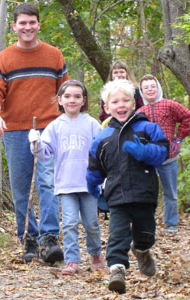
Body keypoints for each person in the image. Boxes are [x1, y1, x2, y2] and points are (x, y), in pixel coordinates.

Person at [0, 3, 69, 264]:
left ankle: (49, 239)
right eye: (22, 23)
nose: (27, 27)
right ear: (14, 26)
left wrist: (68, 123)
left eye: (32, 22)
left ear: (38, 25)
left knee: (46, 182)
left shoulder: (54, 55)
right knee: (21, 187)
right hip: (15, 129)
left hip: (48, 128)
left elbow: (66, 93)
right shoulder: (4, 58)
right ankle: (29, 238)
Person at [86, 79, 169, 294]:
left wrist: (145, 152)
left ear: (133, 103)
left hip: (144, 193)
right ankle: (117, 270)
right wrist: (92, 184)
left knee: (146, 233)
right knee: (118, 233)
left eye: (125, 100)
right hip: (116, 194)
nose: (120, 105)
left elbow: (163, 152)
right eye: (115, 102)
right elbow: (95, 165)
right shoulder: (102, 137)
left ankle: (141, 249)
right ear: (107, 107)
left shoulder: (148, 128)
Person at [28, 80, 104, 275]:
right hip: (66, 184)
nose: (72, 100)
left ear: (83, 100)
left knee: (91, 224)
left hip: (89, 183)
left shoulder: (91, 124)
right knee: (69, 222)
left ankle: (95, 254)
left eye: (77, 96)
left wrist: (104, 178)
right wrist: (35, 142)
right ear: (60, 100)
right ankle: (72, 260)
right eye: (68, 96)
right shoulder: (55, 126)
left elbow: (103, 151)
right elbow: (44, 154)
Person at [137, 74, 190, 234]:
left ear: (158, 87)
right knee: (147, 193)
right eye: (146, 87)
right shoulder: (140, 111)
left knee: (171, 193)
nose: (150, 89)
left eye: (152, 86)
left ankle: (171, 224)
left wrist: (178, 139)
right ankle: (147, 225)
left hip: (169, 158)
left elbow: (187, 117)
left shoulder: (169, 105)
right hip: (149, 161)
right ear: (142, 92)